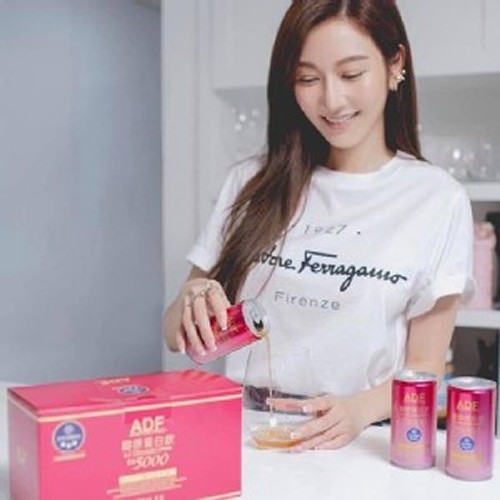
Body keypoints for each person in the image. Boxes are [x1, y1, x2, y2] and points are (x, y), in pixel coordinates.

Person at [163, 0, 474, 450]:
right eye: (308, 79)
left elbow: (425, 367)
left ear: (395, 66)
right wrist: (192, 297)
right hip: (245, 435)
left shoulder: (436, 199)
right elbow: (174, 334)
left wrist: (357, 411)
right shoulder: (250, 182)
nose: (331, 100)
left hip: (358, 444)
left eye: (351, 74)